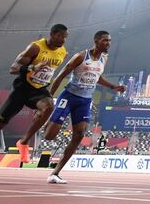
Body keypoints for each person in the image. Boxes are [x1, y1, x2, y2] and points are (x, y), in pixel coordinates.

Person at [0, 24, 69, 180]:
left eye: (66, 37)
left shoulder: (63, 52)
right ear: (52, 34)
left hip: (39, 91)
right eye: (60, 36)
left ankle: (23, 142)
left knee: (49, 106)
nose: (63, 39)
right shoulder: (36, 47)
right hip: (21, 91)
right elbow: (13, 68)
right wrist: (33, 67)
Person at [42, 30, 124, 184]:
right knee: (49, 136)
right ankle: (47, 120)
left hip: (85, 101)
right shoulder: (80, 56)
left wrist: (113, 87)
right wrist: (48, 99)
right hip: (69, 97)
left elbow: (97, 77)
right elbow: (60, 76)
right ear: (96, 40)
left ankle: (55, 173)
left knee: (79, 135)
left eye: (110, 41)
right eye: (105, 40)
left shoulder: (104, 59)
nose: (108, 43)